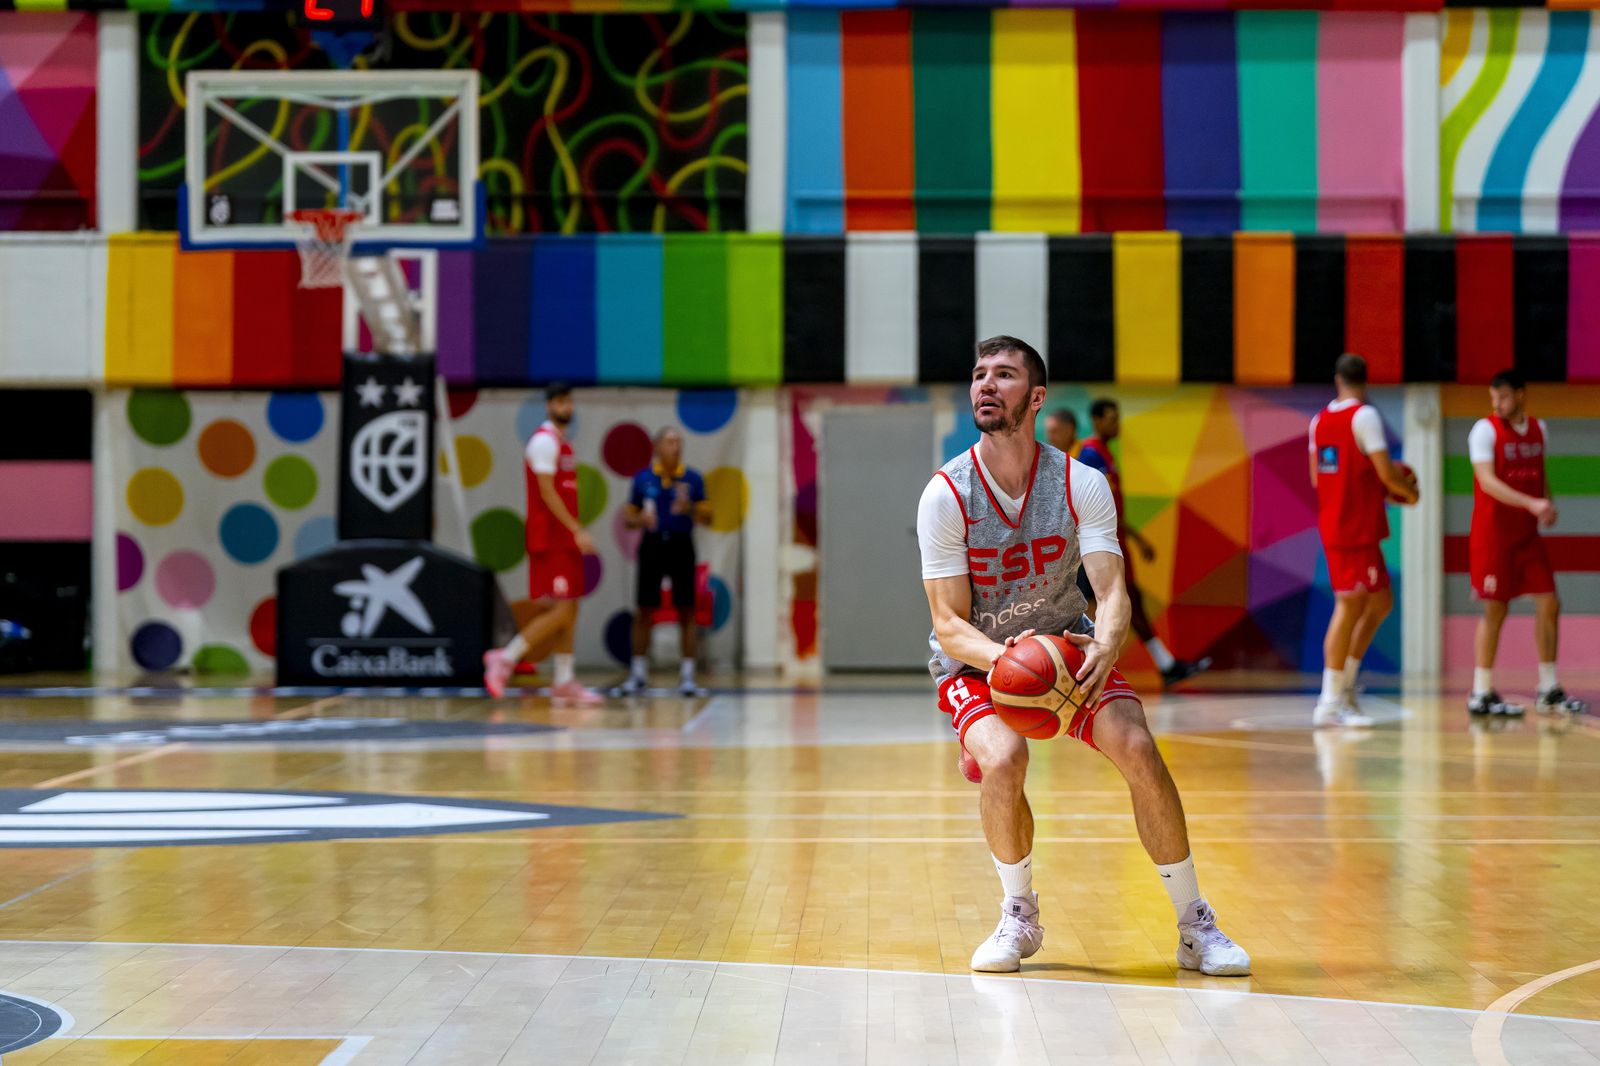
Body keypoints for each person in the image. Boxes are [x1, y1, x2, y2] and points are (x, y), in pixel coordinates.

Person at [918, 335, 1249, 976]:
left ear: (1036, 398)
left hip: (1068, 645)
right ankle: (1019, 915)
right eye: (979, 374)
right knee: (1004, 758)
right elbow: (948, 622)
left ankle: (1194, 926)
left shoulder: (1079, 481)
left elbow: (1113, 587)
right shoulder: (947, 494)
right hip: (977, 660)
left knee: (1138, 747)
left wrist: (1107, 640)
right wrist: (1004, 661)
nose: (986, 384)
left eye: (1004, 375)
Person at [1467, 369, 1588, 717]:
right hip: (1494, 536)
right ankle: (1481, 692)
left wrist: (1546, 503)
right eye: (1493, 399)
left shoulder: (1539, 429)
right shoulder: (1483, 430)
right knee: (1495, 608)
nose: (1498, 405)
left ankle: (1548, 688)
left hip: (1526, 535)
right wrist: (1530, 503)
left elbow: (1539, 472)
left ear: (1520, 395)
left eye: (1503, 397)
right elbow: (1487, 482)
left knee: (1550, 603)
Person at [1309, 354, 1417, 728]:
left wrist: (1379, 489)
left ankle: (1346, 685)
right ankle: (1330, 701)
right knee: (1350, 605)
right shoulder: (1365, 416)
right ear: (1366, 380)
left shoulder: (1319, 422)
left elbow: (1317, 478)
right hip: (1354, 527)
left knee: (1380, 601)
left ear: (1338, 379)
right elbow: (1386, 473)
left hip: (1343, 524)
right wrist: (1407, 492)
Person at [1074, 398, 1211, 688]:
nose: (1116, 424)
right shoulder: (1091, 456)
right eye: (1111, 418)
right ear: (1097, 420)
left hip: (1116, 540)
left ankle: (1164, 665)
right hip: (1104, 543)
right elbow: (1099, 507)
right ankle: (1088, 666)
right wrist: (1137, 539)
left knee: (1128, 601)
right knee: (1108, 601)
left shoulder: (1104, 454)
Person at [482, 382, 603, 705]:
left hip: (563, 540)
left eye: (569, 402)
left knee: (570, 608)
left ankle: (564, 680)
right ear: (549, 405)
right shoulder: (543, 443)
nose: (567, 407)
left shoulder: (564, 444)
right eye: (561, 402)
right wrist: (576, 528)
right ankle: (505, 658)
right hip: (550, 540)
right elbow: (547, 492)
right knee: (561, 609)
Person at [614, 428, 712, 698]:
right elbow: (629, 517)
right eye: (670, 442)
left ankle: (688, 676)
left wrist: (689, 508)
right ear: (657, 447)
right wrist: (640, 521)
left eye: (679, 442)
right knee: (644, 609)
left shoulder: (692, 478)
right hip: (653, 545)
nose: (675, 447)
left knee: (687, 610)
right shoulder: (643, 479)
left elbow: (708, 516)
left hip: (681, 545)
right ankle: (638, 673)